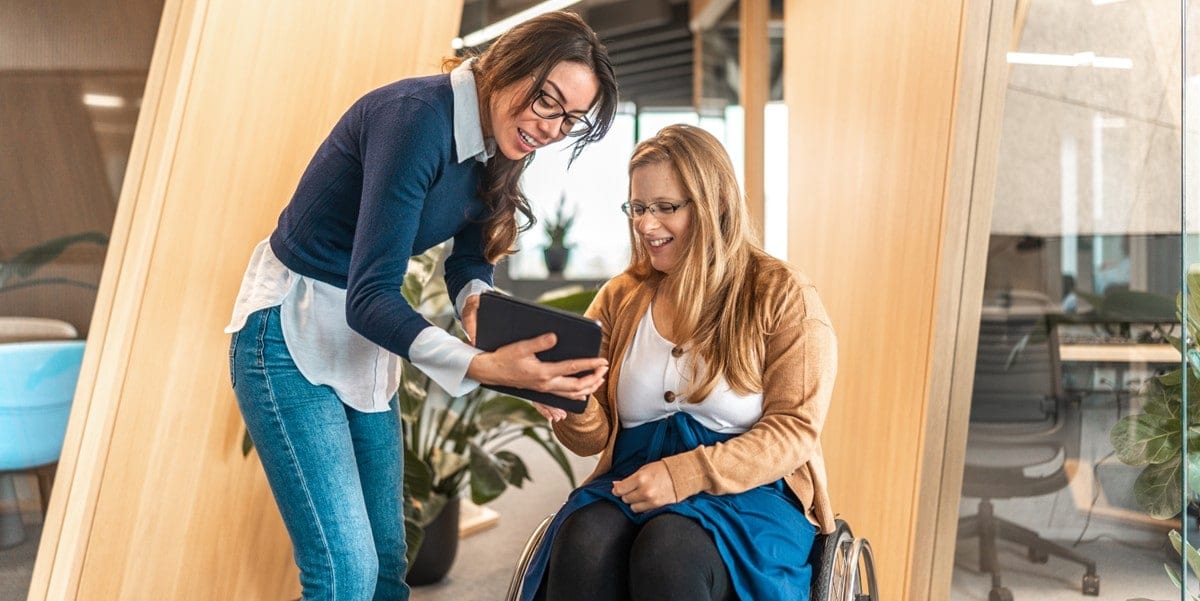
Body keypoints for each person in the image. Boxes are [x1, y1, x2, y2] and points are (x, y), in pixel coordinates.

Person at [224, 11, 618, 601]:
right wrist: (483, 367)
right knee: (344, 575)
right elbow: (370, 296)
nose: (552, 127)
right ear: (509, 64)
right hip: (289, 332)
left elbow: (468, 261)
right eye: (546, 101)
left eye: (570, 118)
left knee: (386, 568)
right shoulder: (414, 119)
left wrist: (495, 331)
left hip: (364, 342)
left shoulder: (502, 136)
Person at [522, 124, 839, 601]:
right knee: (582, 539)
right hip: (632, 478)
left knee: (669, 550)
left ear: (715, 205)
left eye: (666, 208)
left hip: (749, 492)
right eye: (638, 208)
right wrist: (572, 402)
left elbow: (794, 430)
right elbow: (590, 440)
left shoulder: (782, 294)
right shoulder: (620, 296)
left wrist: (683, 475)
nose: (647, 225)